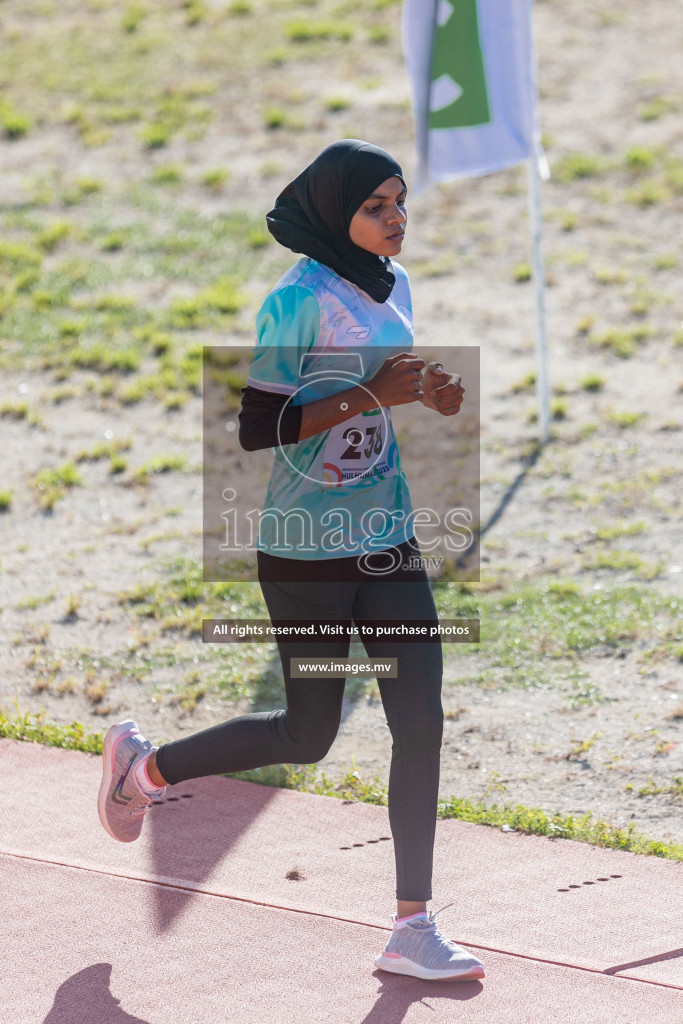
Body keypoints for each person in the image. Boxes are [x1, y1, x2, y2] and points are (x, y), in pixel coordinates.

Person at [98, 140, 484, 983]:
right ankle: (144, 768)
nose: (396, 218)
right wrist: (373, 394)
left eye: (400, 201)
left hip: (386, 534)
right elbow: (256, 427)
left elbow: (372, 392)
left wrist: (422, 392)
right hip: (305, 550)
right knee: (307, 735)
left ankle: (410, 925)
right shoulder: (297, 298)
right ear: (332, 211)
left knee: (419, 717)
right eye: (375, 206)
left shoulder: (393, 284)